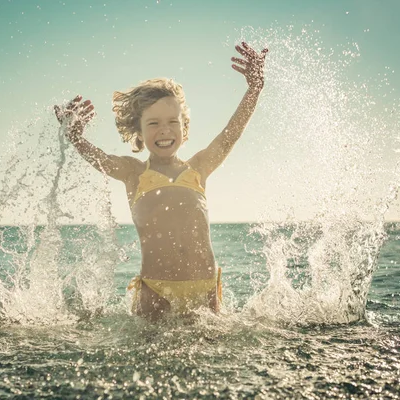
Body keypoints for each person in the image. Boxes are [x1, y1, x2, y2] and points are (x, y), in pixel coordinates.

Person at [54, 42, 268, 320]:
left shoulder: (199, 167)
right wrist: (75, 137)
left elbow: (231, 133)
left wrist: (254, 89)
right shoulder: (134, 173)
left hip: (205, 288)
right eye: (153, 123)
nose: (164, 130)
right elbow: (100, 159)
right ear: (139, 133)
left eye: (172, 122)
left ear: (184, 127)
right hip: (156, 290)